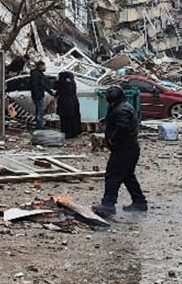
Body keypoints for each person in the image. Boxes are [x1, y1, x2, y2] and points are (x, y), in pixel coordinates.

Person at [93, 85, 146, 216]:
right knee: (128, 176)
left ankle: (108, 204)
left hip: (124, 149)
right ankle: (139, 202)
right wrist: (107, 121)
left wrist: (112, 140)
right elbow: (119, 120)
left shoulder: (122, 109)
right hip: (129, 148)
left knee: (113, 176)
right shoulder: (122, 106)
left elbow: (123, 127)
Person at [56, 71, 82, 139]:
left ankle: (67, 132)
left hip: (65, 103)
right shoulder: (72, 83)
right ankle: (74, 132)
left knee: (65, 119)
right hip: (74, 102)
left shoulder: (62, 83)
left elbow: (56, 89)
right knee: (73, 118)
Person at [30, 61, 48, 130]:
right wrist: (38, 94)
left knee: (39, 111)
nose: (45, 67)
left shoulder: (38, 73)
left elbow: (43, 85)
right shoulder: (36, 74)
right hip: (38, 95)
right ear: (40, 66)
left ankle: (39, 125)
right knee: (40, 111)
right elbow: (35, 85)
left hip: (38, 95)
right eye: (44, 66)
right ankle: (40, 126)